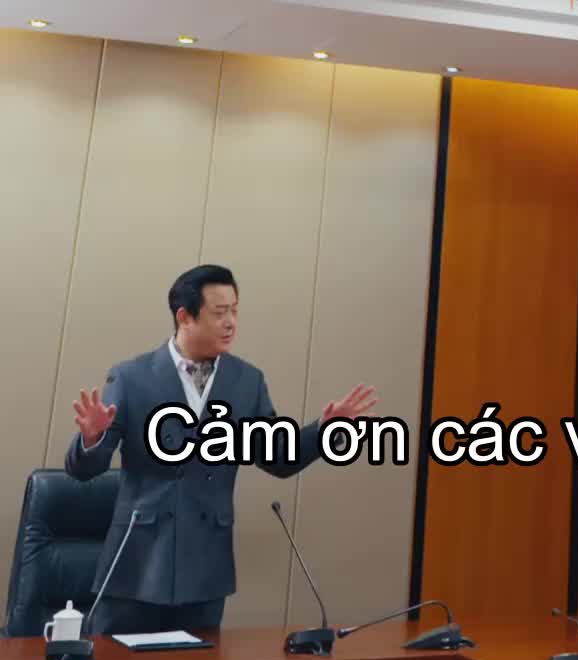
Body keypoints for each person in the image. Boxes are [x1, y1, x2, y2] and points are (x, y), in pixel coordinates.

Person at [64, 264, 377, 635]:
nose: (231, 323)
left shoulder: (246, 381)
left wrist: (326, 430)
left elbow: (278, 457)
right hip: (136, 566)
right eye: (219, 312)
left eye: (235, 311)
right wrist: (92, 438)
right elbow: (85, 470)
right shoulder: (131, 377)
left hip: (205, 570)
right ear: (184, 316)